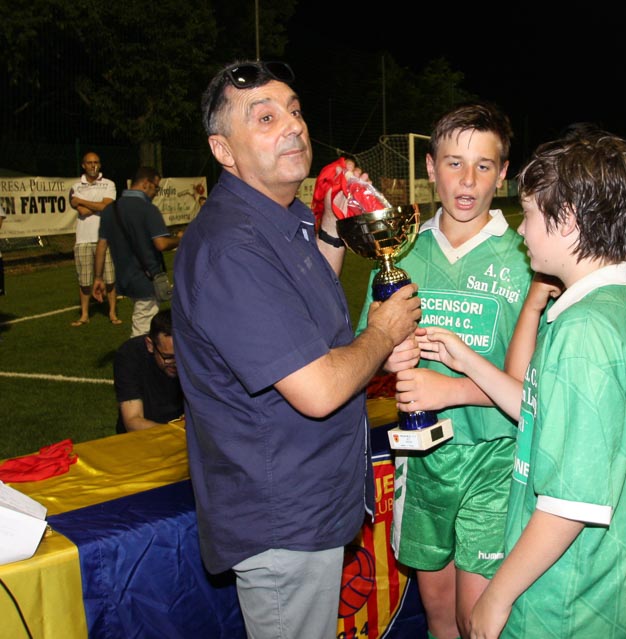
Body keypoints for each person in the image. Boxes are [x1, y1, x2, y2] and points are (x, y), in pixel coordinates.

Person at [172, 60, 422, 639]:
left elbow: (300, 314)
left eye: (295, 110)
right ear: (223, 149)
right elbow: (318, 389)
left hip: (305, 501)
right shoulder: (233, 245)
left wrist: (331, 227)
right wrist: (383, 332)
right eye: (264, 118)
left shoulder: (276, 218)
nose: (293, 125)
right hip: (281, 517)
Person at [419, 133, 626, 638]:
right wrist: (470, 362)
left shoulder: (584, 331)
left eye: (531, 213)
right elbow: (546, 412)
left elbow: (569, 504)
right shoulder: (614, 305)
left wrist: (497, 595)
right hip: (610, 575)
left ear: (568, 219)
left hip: (574, 595)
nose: (521, 229)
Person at [356, 102, 531, 639]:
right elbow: (368, 347)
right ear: (430, 167)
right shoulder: (402, 251)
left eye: (483, 165)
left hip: (495, 456)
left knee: (475, 620)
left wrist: (449, 390)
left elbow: (539, 387)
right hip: (422, 461)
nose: (467, 180)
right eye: (454, 163)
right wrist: (387, 357)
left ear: (503, 173)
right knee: (438, 616)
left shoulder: (526, 257)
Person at [93, 167, 179, 337]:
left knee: (146, 323)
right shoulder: (148, 209)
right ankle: (138, 353)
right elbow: (161, 244)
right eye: (156, 187)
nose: (156, 193)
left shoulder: (110, 209)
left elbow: (101, 246)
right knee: (143, 330)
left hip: (125, 279)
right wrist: (181, 239)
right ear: (146, 184)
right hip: (146, 278)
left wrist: (98, 278)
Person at [69, 152, 120, 326]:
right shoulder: (76, 186)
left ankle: (112, 313)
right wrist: (99, 205)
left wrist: (83, 201)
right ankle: (84, 315)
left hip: (105, 238)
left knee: (110, 279)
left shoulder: (109, 184)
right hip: (83, 239)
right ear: (83, 165)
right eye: (89, 162)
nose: (93, 165)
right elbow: (83, 211)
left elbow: (107, 206)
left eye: (96, 162)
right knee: (84, 281)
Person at [113, 309, 184, 433]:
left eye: (182, 356)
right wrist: (179, 433)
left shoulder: (199, 353)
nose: (177, 364)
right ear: (150, 345)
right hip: (143, 437)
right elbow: (133, 421)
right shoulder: (130, 355)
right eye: (168, 357)